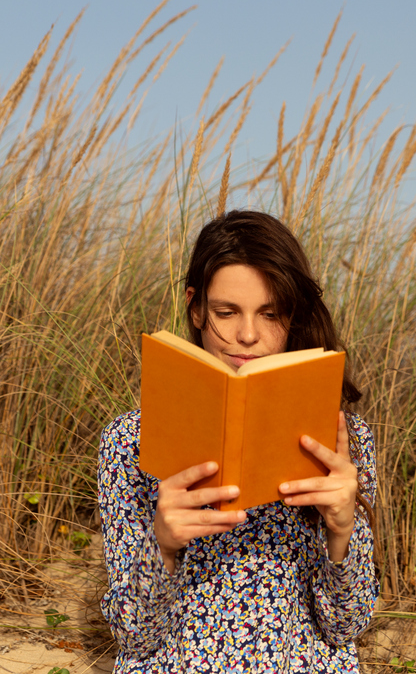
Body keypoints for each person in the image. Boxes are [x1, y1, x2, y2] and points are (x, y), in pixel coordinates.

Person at [98, 210, 378, 673]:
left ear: (292, 318)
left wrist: (342, 531)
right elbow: (133, 636)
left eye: (270, 314)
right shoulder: (130, 440)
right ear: (195, 308)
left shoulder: (343, 441)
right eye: (226, 312)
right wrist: (162, 547)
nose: (247, 335)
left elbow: (346, 629)